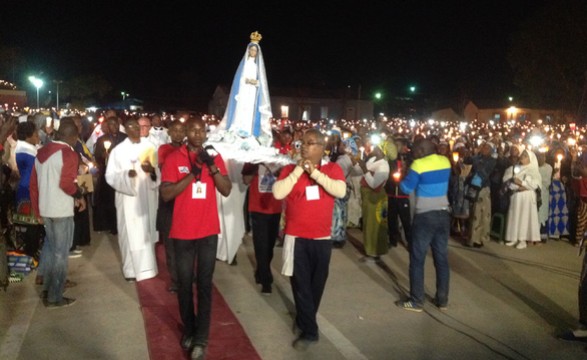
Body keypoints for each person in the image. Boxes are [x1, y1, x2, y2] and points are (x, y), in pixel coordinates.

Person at [160, 118, 232, 359]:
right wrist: (193, 172)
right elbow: (167, 194)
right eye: (194, 129)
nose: (198, 133)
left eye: (202, 129)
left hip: (208, 231)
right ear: (186, 132)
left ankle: (201, 338)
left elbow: (226, 189)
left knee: (204, 284)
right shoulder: (173, 158)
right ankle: (188, 329)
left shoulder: (215, 156)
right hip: (182, 232)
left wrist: (211, 166)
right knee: (184, 284)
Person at [272, 128, 346, 348]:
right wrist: (298, 171)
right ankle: (310, 332)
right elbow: (278, 193)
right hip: (296, 237)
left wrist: (314, 172)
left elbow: (339, 191)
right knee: (301, 284)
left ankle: (305, 319)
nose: (304, 146)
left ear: (322, 148)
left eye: (310, 143)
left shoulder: (332, 169)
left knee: (316, 285)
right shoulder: (288, 169)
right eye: (302, 143)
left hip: (322, 238)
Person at [30, 122, 87, 308]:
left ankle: (49, 288)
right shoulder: (69, 153)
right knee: (61, 255)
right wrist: (79, 195)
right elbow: (66, 184)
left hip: (46, 209)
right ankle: (55, 296)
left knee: (54, 251)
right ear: (73, 136)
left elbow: (34, 186)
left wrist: (38, 211)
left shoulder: (41, 153)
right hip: (61, 210)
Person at [397, 139, 452, 312]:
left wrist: (400, 178)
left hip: (425, 215)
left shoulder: (418, 165)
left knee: (417, 258)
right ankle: (442, 299)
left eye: (415, 150)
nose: (413, 152)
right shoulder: (445, 161)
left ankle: (416, 300)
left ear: (421, 150)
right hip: (443, 213)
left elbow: (407, 188)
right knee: (441, 258)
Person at [105, 118, 159, 282]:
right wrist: (126, 176)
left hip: (147, 197)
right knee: (128, 233)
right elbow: (110, 176)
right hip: (127, 199)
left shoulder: (150, 147)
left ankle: (149, 268)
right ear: (126, 130)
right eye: (131, 127)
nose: (135, 129)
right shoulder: (118, 151)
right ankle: (130, 270)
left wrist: (152, 171)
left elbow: (157, 173)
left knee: (146, 231)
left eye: (137, 127)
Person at [220, 31, 272, 144]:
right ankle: (238, 130)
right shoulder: (245, 64)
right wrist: (247, 81)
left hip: (252, 92)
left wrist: (256, 82)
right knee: (242, 109)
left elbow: (261, 82)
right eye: (251, 50)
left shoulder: (257, 67)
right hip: (244, 91)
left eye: (255, 50)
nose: (253, 52)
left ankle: (249, 131)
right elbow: (240, 79)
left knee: (250, 110)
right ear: (248, 51)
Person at [242, 161, 282, 294]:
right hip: (257, 209)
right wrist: (256, 166)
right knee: (261, 245)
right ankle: (266, 281)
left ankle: (261, 270)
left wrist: (278, 171)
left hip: (275, 208)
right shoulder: (252, 160)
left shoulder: (280, 158)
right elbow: (246, 180)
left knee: (269, 246)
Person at [156, 120, 186, 293]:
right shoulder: (164, 149)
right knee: (170, 241)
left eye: (181, 130)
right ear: (169, 132)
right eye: (174, 130)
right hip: (169, 199)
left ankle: (186, 273)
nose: (178, 133)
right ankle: (175, 278)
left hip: (185, 200)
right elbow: (164, 167)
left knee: (186, 242)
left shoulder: (189, 149)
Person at [92, 116, 127, 234]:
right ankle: (110, 224)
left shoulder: (125, 138)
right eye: (111, 124)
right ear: (108, 126)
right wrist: (102, 156)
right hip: (107, 172)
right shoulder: (102, 139)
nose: (114, 127)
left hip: (122, 173)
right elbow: (97, 156)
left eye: (116, 124)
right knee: (108, 200)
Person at [13, 122, 43, 258]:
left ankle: (32, 251)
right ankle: (31, 253)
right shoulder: (28, 152)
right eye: (35, 133)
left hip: (27, 186)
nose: (38, 135)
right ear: (27, 136)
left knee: (33, 224)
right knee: (32, 223)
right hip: (29, 188)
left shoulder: (26, 148)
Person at [503, 149, 542, 249]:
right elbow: (508, 180)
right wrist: (516, 186)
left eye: (525, 156)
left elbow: (535, 184)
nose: (522, 157)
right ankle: (513, 237)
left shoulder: (533, 170)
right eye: (522, 155)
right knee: (514, 216)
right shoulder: (515, 168)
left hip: (527, 197)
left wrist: (522, 184)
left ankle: (522, 239)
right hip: (516, 195)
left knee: (524, 217)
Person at [359, 137, 390, 260]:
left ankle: (375, 251)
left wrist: (365, 170)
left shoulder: (384, 166)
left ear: (382, 151)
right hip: (368, 196)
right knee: (368, 222)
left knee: (375, 224)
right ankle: (369, 248)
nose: (374, 148)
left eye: (377, 147)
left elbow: (374, 184)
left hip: (375, 197)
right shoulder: (373, 158)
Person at [463, 141, 496, 248]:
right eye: (483, 147)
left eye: (487, 148)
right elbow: (467, 161)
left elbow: (482, 171)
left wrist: (477, 162)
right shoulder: (476, 157)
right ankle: (472, 238)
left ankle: (480, 239)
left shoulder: (492, 160)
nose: (484, 149)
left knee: (484, 214)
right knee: (475, 213)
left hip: (484, 188)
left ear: (491, 150)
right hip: (474, 188)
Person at [386, 136, 413, 247]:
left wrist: (403, 174)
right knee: (392, 219)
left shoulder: (409, 159)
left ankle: (410, 241)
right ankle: (393, 240)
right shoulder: (390, 160)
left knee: (406, 220)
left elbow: (411, 174)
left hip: (403, 194)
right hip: (392, 193)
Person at [537, 152, 553, 241]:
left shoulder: (548, 167)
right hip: (536, 192)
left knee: (543, 213)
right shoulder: (535, 167)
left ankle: (543, 234)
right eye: (539, 157)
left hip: (544, 193)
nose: (541, 159)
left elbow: (547, 181)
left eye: (542, 157)